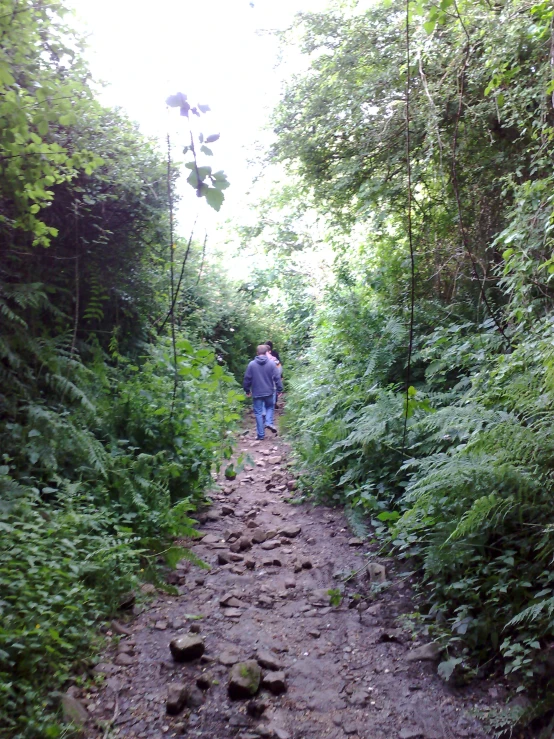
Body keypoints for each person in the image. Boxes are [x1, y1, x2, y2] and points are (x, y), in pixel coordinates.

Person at [243, 344, 283, 440]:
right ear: (266, 353)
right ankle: (269, 422)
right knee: (270, 407)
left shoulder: (251, 364)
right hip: (269, 391)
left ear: (257, 353)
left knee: (258, 413)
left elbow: (247, 378)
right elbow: (277, 377)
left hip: (257, 393)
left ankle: (261, 435)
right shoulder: (271, 364)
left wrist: (247, 390)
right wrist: (279, 389)